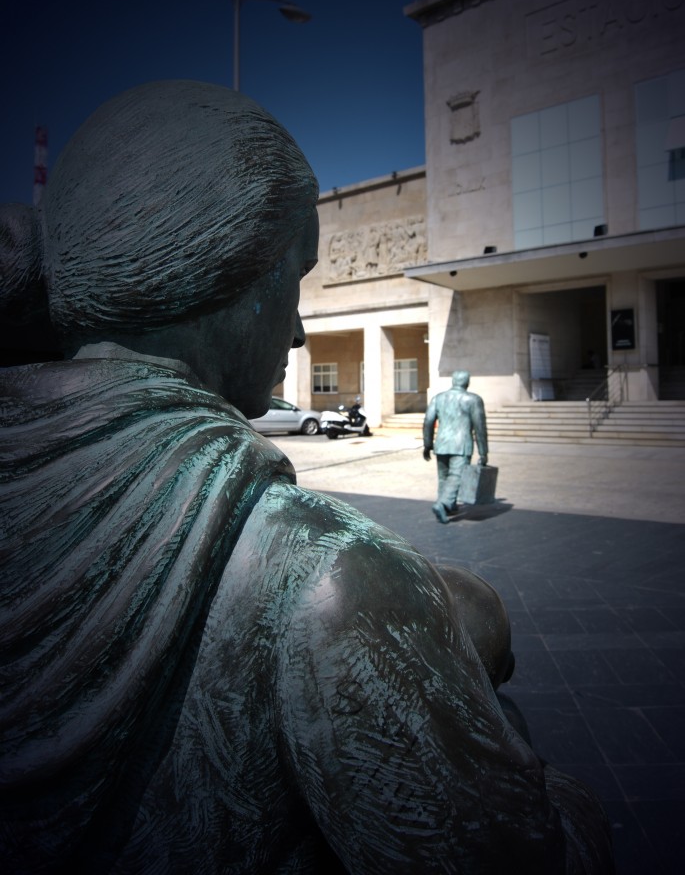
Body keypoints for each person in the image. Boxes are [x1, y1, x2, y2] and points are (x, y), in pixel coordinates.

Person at [0, 81, 614, 873]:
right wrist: (462, 695)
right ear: (222, 275)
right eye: (294, 276)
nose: (296, 328)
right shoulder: (327, 582)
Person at [423, 370, 489, 524]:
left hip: (442, 443)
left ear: (453, 381)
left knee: (444, 477)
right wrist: (483, 452)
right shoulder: (473, 399)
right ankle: (443, 503)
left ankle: (448, 506)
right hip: (461, 444)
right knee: (456, 477)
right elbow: (480, 427)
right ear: (467, 382)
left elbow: (428, 421)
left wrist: (427, 444)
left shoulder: (438, 398)